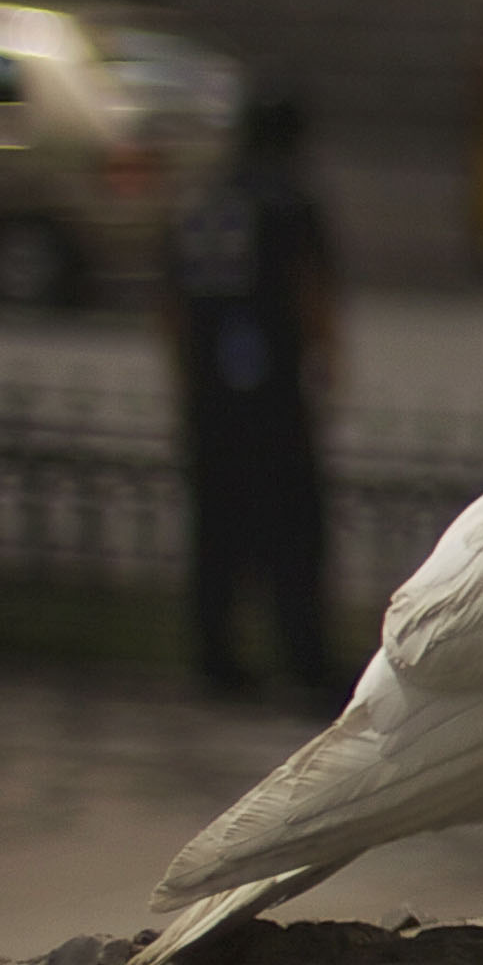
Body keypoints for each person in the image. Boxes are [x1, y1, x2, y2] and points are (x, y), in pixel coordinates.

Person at [167, 89, 347, 702]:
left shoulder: (200, 200)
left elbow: (170, 307)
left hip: (212, 401)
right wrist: (327, 368)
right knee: (293, 533)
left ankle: (216, 659)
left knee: (217, 532)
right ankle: (304, 661)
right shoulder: (290, 205)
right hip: (274, 399)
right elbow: (309, 292)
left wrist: (187, 383)